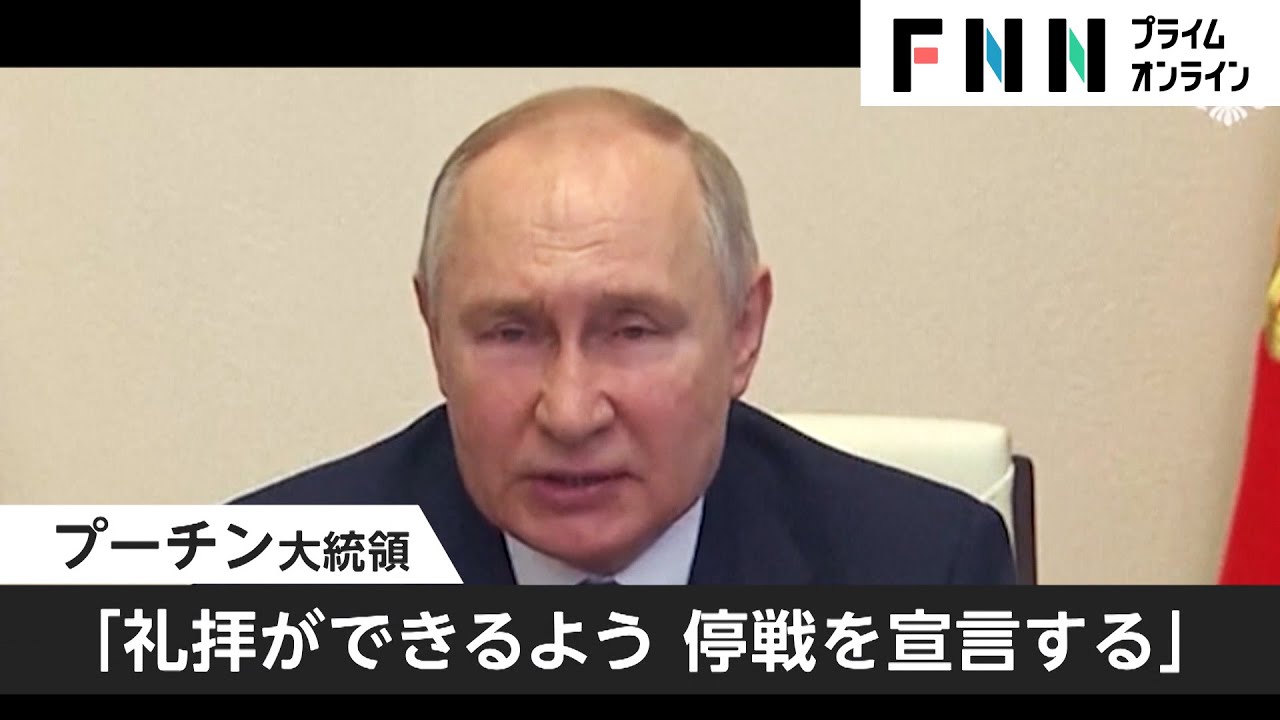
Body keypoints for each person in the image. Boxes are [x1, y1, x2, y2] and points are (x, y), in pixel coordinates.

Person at [232, 86, 1016, 586]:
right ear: (435, 333)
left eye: (632, 331)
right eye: (511, 333)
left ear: (743, 331)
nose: (571, 412)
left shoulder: (923, 571)